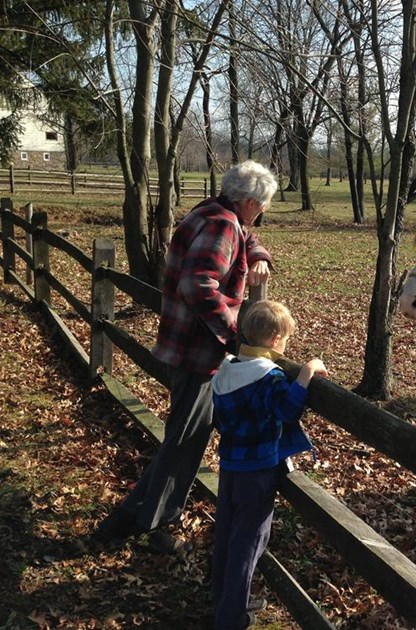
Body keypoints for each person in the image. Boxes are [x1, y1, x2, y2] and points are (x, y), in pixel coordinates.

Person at [93, 160, 278, 554]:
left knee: (182, 437)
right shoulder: (223, 225)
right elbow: (199, 285)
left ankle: (126, 517)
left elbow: (245, 239)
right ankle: (155, 525)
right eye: (262, 206)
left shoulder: (211, 212)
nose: (263, 213)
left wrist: (258, 253)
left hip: (183, 345)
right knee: (184, 443)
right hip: (198, 351)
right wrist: (235, 332)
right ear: (248, 202)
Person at [210, 300, 327, 630]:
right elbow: (287, 410)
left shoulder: (228, 370)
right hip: (257, 471)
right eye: (286, 338)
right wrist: (306, 372)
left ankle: (223, 598)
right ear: (276, 338)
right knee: (250, 542)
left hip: (231, 465)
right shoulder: (267, 377)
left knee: (227, 534)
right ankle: (231, 618)